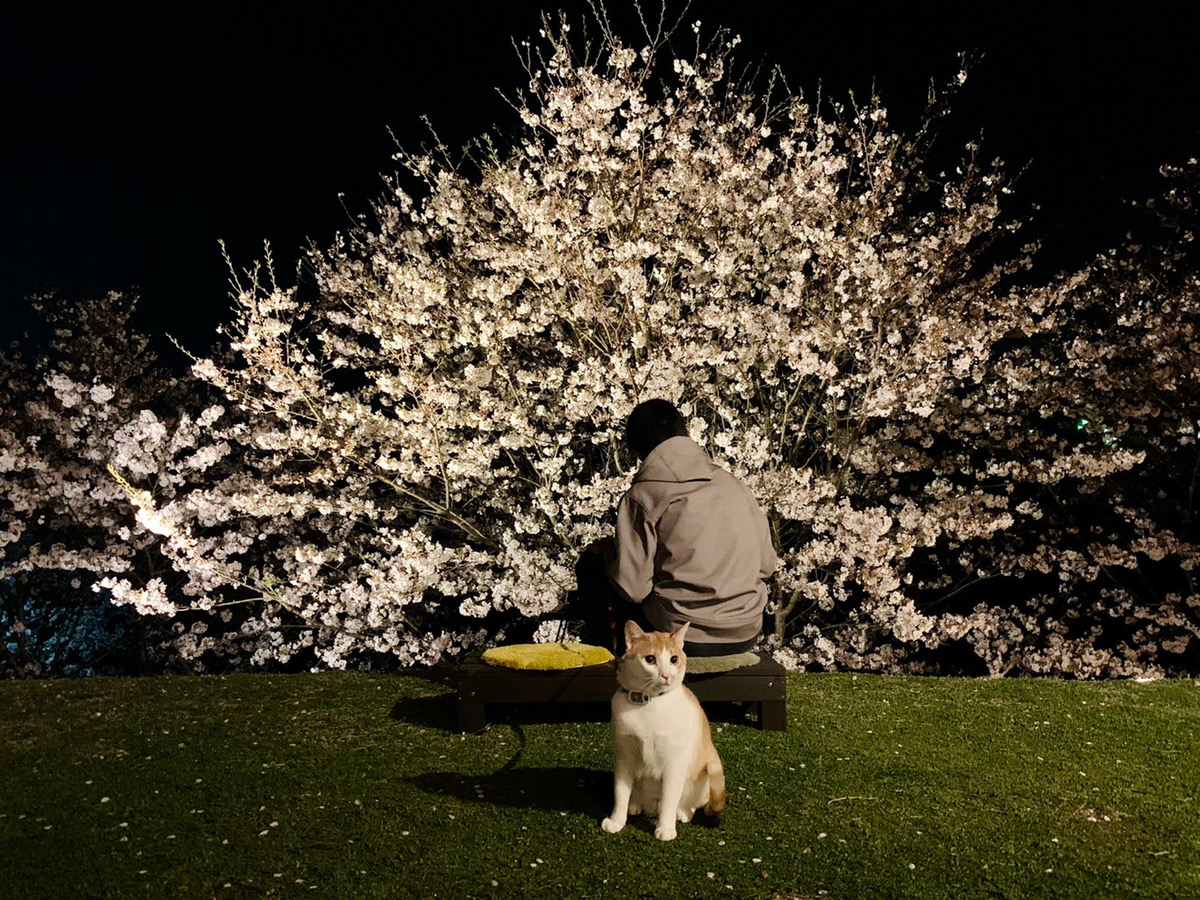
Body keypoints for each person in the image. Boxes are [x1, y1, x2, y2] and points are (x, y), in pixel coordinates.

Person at [576, 399, 777, 656]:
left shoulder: (644, 495)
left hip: (680, 633)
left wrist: (610, 555)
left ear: (638, 452)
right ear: (686, 435)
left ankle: (604, 666)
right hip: (745, 628)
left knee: (591, 565)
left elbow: (633, 589)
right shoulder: (733, 485)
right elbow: (766, 565)